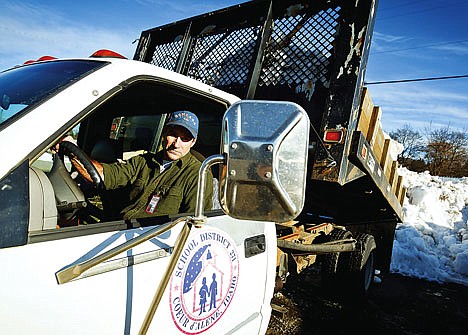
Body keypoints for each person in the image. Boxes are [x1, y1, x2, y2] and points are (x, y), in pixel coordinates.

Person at [63, 110, 213, 220]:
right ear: (164, 133)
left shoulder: (198, 174)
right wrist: (71, 148)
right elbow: (104, 175)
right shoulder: (142, 162)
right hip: (120, 229)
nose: (176, 144)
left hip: (151, 244)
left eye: (185, 138)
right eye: (173, 135)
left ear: (193, 142)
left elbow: (194, 224)